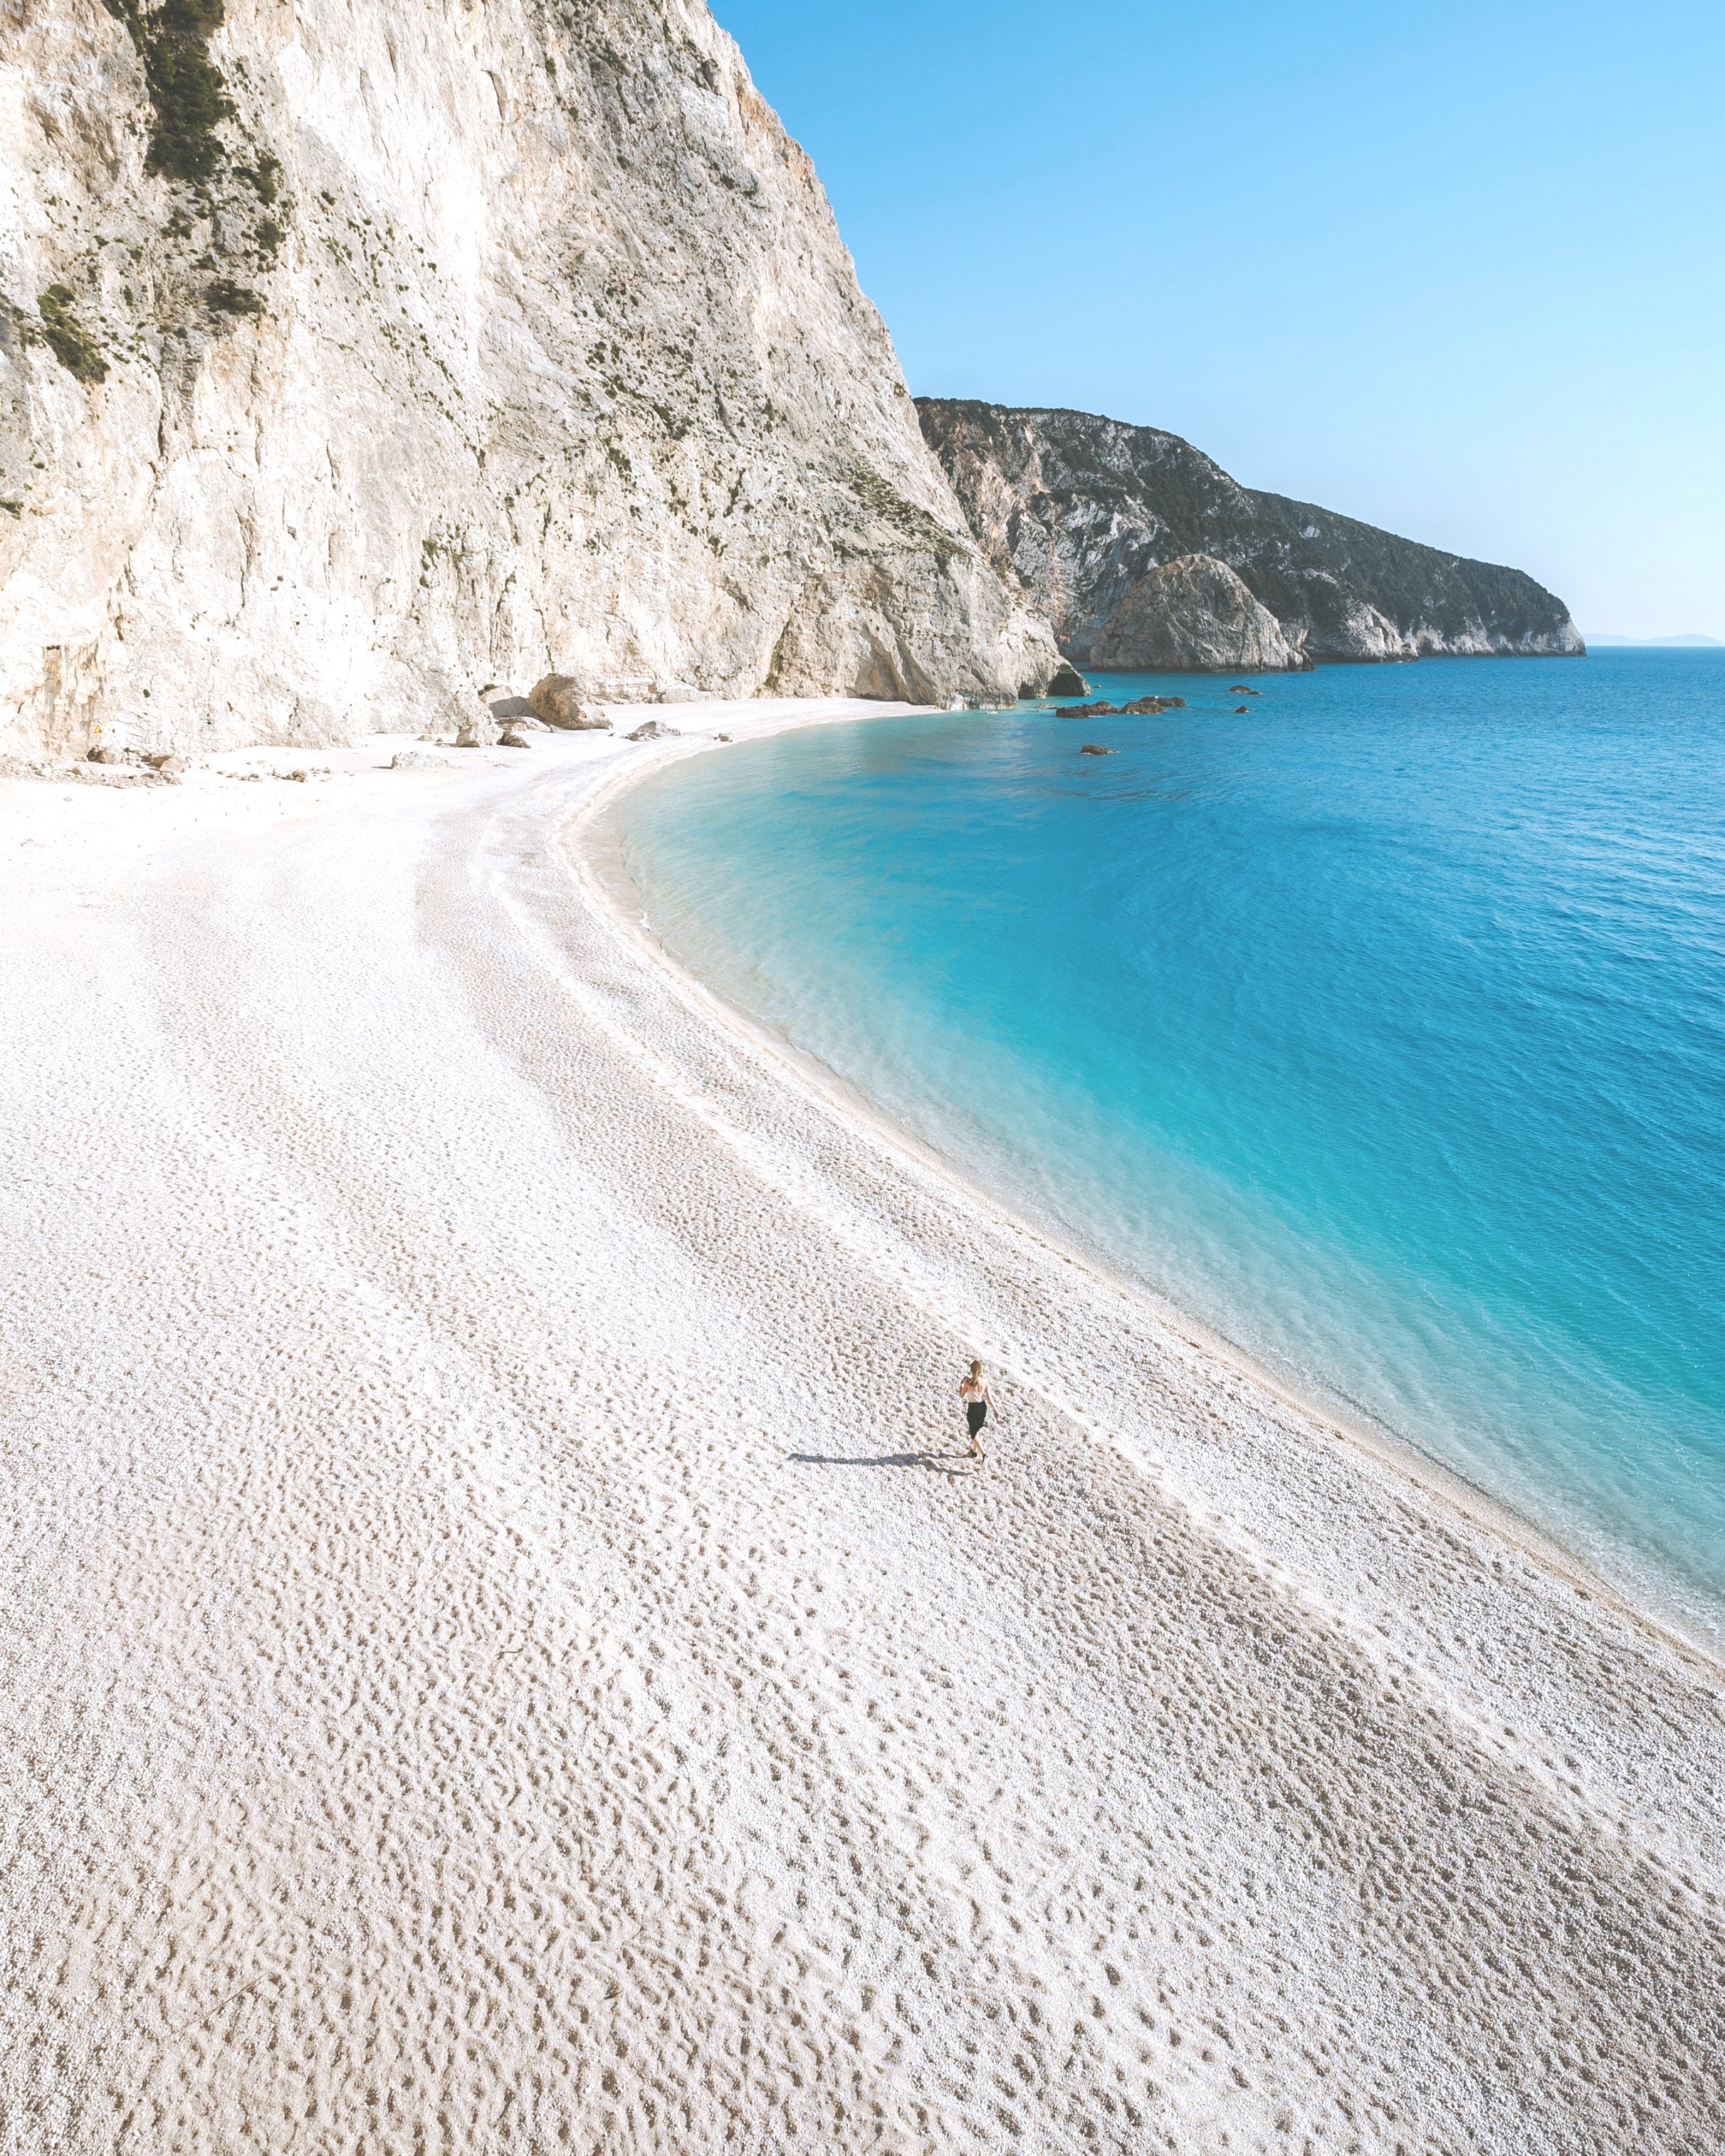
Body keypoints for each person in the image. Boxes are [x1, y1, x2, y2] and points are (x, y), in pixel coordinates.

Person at [958, 1359, 997, 1458]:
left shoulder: (968, 1381)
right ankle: (974, 1452)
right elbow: (989, 1397)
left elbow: (961, 1395)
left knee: (973, 1432)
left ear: (971, 1370)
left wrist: (961, 1384)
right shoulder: (985, 1381)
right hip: (982, 1407)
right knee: (977, 1430)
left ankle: (984, 1455)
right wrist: (995, 1410)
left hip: (973, 1408)